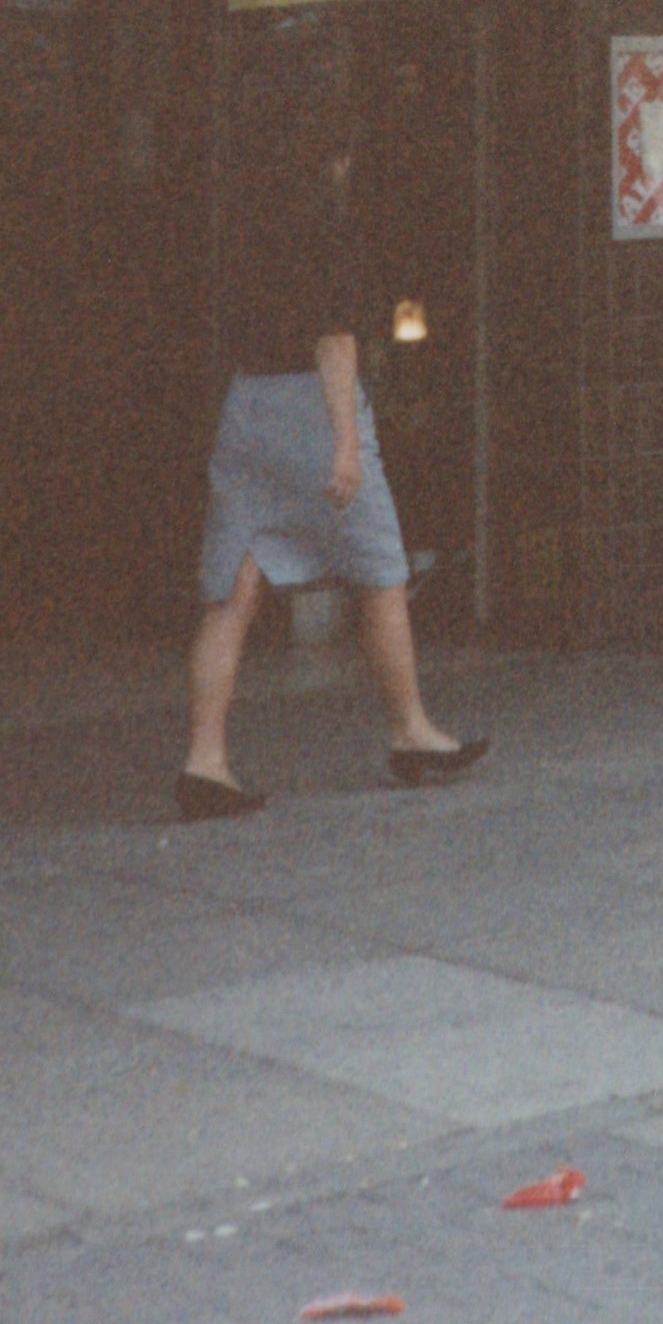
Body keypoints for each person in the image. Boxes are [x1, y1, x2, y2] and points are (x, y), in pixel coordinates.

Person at [181, 84, 485, 819]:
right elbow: (335, 338)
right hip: (315, 407)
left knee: (235, 589)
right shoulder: (331, 230)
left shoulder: (244, 228)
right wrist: (345, 443)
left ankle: (205, 760)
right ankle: (410, 730)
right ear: (337, 159)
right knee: (382, 571)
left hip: (247, 403)